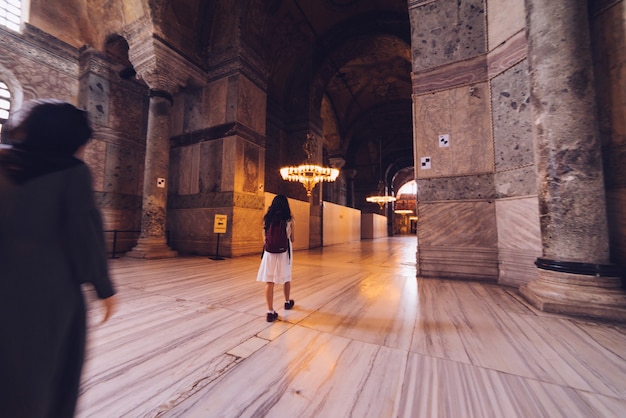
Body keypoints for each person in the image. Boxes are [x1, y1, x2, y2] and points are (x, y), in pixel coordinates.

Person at [0, 99, 117, 417]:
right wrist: (103, 287)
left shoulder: (4, 162)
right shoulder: (72, 173)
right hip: (50, 286)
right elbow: (84, 233)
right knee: (47, 370)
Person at [256, 194, 295, 322]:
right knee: (286, 277)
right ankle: (287, 301)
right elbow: (292, 239)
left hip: (269, 251)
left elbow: (264, 237)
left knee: (269, 281)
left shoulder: (268, 218)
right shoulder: (289, 219)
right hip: (284, 251)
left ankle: (270, 311)